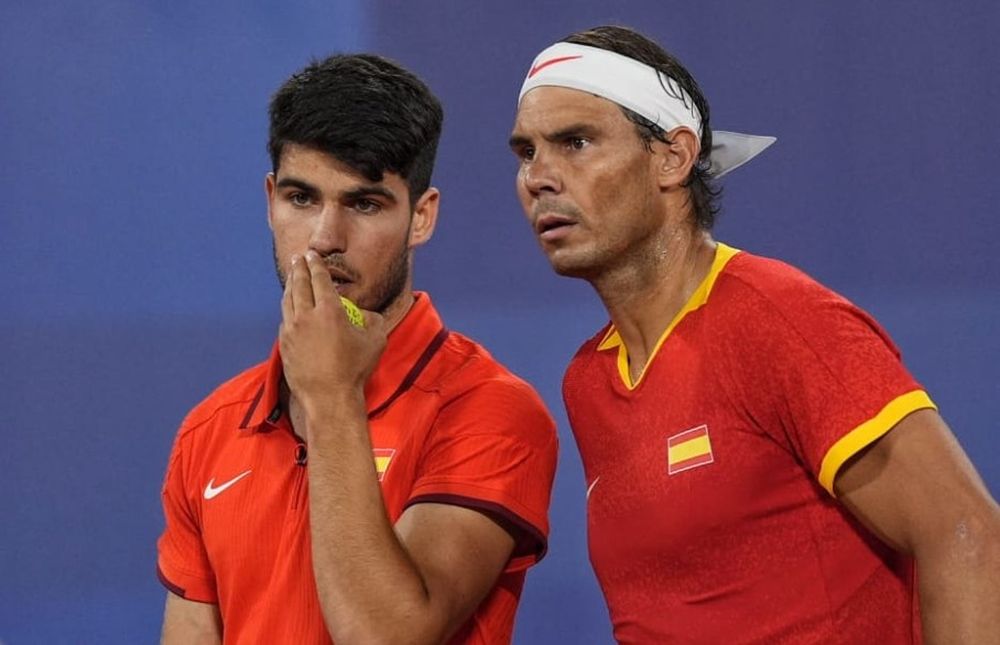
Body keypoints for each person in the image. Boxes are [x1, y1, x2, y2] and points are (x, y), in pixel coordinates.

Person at [509, 25, 1000, 644]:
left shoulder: (780, 318)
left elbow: (966, 534)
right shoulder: (589, 378)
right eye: (526, 152)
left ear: (672, 157)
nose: (538, 177)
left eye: (575, 142)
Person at [157, 53, 558, 644]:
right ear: (270, 200)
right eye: (301, 198)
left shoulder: (489, 412)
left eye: (364, 204)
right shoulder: (210, 430)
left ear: (421, 216)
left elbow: (387, 636)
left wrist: (331, 393)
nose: (324, 239)